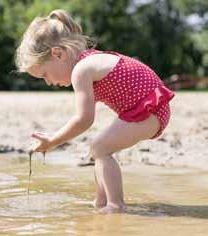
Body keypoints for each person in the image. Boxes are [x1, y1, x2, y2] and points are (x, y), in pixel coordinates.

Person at [15, 9, 175, 213]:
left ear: (58, 54)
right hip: (152, 107)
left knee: (99, 147)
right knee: (98, 148)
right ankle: (101, 203)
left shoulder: (81, 70)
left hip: (149, 107)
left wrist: (53, 140)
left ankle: (116, 206)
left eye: (45, 74)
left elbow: (84, 119)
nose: (49, 82)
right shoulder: (90, 61)